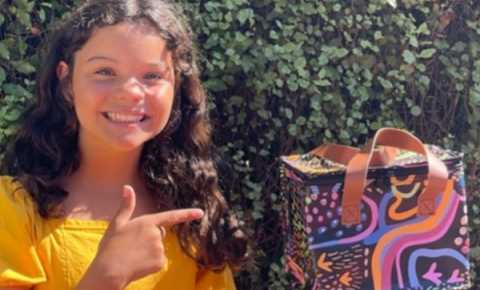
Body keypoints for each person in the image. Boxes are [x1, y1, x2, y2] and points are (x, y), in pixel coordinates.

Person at [0, 0, 248, 289]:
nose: (130, 92)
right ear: (67, 81)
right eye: (104, 71)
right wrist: (106, 277)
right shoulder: (14, 209)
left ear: (176, 86)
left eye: (152, 76)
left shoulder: (194, 215)